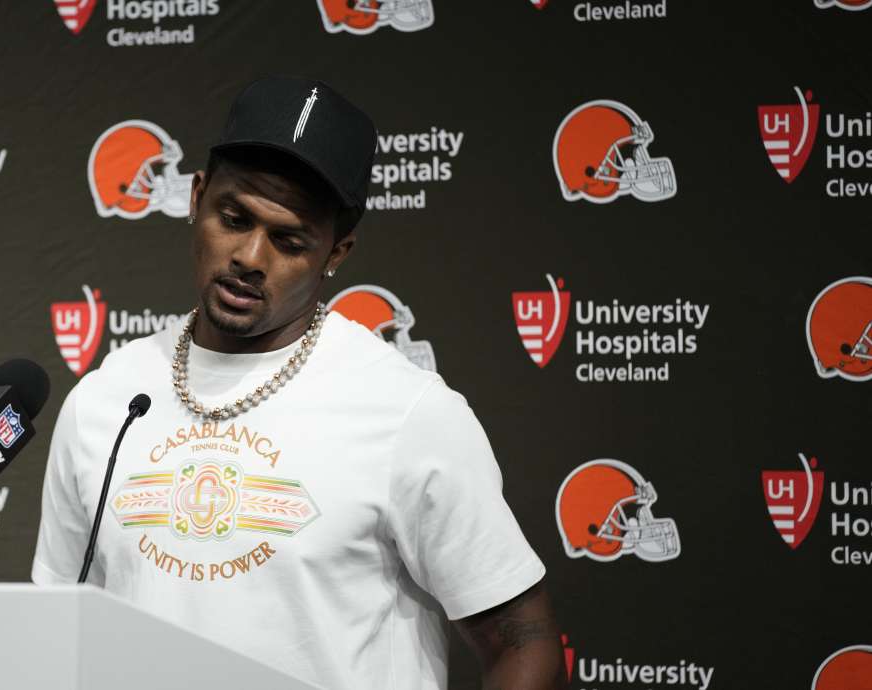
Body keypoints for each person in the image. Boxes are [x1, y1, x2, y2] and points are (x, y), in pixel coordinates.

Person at [33, 76, 565, 690]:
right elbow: (62, 632)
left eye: (289, 240)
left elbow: (526, 647)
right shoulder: (107, 400)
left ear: (337, 251)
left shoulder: (408, 413)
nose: (250, 257)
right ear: (197, 197)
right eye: (234, 218)